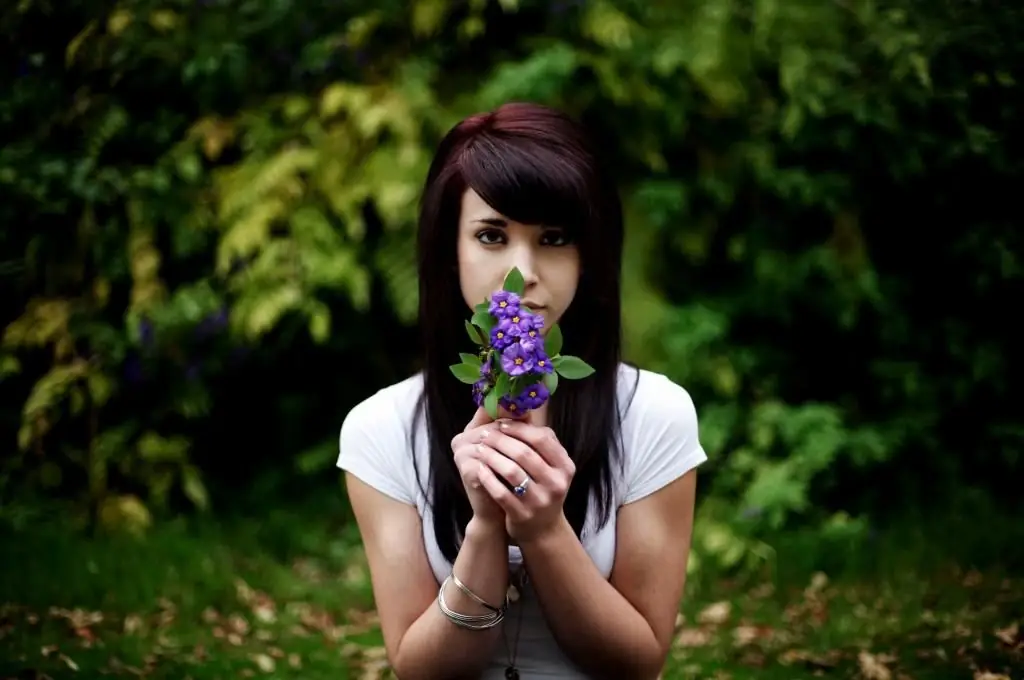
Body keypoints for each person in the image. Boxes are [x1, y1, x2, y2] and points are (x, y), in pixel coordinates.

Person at [337, 102, 707, 679]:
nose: (524, 271)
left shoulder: (652, 415)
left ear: (590, 255)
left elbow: (638, 662)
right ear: (447, 248)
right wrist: (486, 528)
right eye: (491, 235)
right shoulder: (381, 428)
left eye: (555, 237)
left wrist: (542, 528)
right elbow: (418, 670)